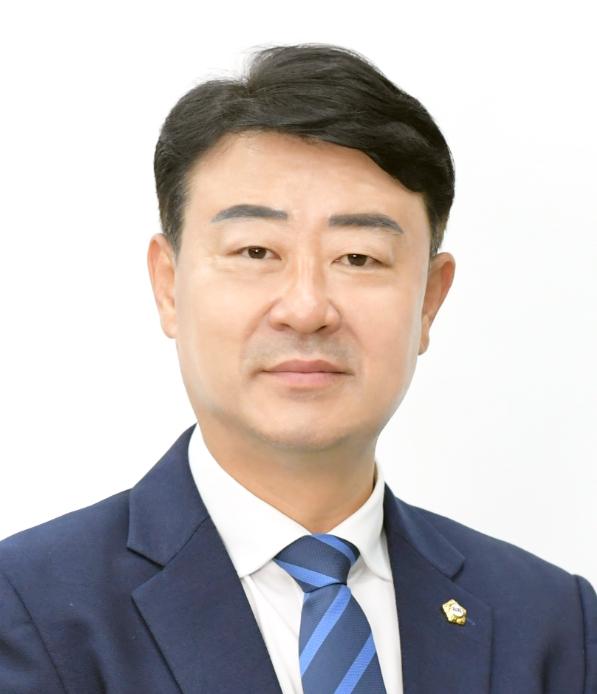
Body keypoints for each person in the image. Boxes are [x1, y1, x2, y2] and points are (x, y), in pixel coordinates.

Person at [0, 43, 595, 694]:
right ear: (168, 285)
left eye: (358, 258)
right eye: (256, 251)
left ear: (429, 299)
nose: (307, 309)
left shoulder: (553, 623)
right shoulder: (26, 609)